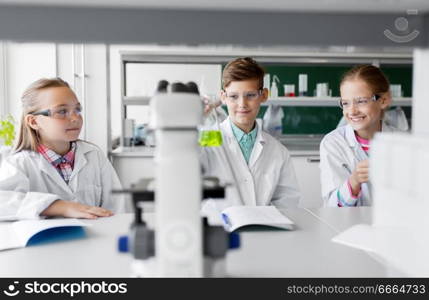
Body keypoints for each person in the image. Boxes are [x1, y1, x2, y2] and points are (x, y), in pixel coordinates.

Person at [0, 78, 126, 219]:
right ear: (34, 121)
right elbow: (3, 202)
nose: (75, 118)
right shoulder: (19, 163)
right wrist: (60, 207)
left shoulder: (93, 155)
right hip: (47, 241)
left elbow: (117, 207)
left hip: (94, 238)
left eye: (77, 109)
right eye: (62, 111)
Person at [201, 57, 301, 209]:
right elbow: (187, 179)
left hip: (263, 230)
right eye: (234, 96)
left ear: (264, 95)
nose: (242, 104)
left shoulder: (278, 151)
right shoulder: (208, 140)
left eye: (250, 95)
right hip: (220, 228)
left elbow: (287, 202)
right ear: (223, 97)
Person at [320, 65, 400, 207]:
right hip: (349, 227)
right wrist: (354, 181)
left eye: (361, 101)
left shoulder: (402, 143)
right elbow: (332, 207)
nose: (352, 111)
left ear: (383, 100)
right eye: (345, 103)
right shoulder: (333, 143)